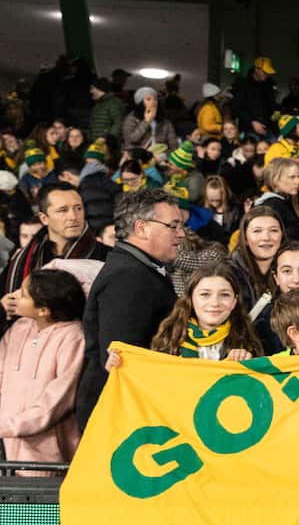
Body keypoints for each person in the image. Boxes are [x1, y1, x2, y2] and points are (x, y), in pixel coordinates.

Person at [77, 189, 180, 429]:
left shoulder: (136, 269)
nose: (181, 234)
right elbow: (122, 357)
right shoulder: (128, 276)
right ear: (141, 228)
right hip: (119, 413)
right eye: (172, 226)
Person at [0, 268, 86, 473]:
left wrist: (9, 426)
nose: (14, 297)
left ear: (43, 310)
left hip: (47, 452)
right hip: (6, 446)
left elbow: (55, 402)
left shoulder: (73, 338)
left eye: (23, 294)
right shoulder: (19, 327)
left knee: (37, 501)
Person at [1, 182, 108, 311]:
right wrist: (4, 305)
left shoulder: (106, 256)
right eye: (63, 210)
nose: (74, 216)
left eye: (78, 208)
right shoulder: (22, 259)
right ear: (44, 218)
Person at [147, 262, 262, 361]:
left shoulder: (248, 343)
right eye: (205, 294)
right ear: (191, 299)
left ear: (234, 302)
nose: (215, 303)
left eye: (224, 295)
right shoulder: (168, 340)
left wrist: (248, 363)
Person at [229, 206, 285, 314]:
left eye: (273, 230)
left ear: (282, 236)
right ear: (245, 238)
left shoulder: (293, 271)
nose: (266, 237)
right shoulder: (228, 273)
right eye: (257, 231)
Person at [255, 158, 299, 240]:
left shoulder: (292, 200)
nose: (298, 181)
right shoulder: (272, 206)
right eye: (292, 177)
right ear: (275, 180)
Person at [123, 86, 180, 152]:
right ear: (140, 103)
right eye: (148, 99)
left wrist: (163, 156)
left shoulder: (165, 121)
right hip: (139, 157)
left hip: (160, 158)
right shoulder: (131, 118)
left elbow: (174, 146)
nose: (153, 102)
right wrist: (146, 121)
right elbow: (130, 140)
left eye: (155, 99)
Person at [231, 56, 277, 138]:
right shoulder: (243, 84)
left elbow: (272, 105)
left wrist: (277, 112)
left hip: (268, 129)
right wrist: (252, 121)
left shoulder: (268, 85)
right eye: (265, 72)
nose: (267, 75)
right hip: (249, 130)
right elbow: (236, 108)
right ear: (256, 70)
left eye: (268, 73)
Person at [88, 77, 125, 144]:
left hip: (108, 145)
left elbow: (118, 123)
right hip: (97, 143)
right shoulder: (97, 105)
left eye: (92, 88)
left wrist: (108, 139)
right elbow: (91, 125)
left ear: (99, 88)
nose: (91, 91)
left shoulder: (113, 103)